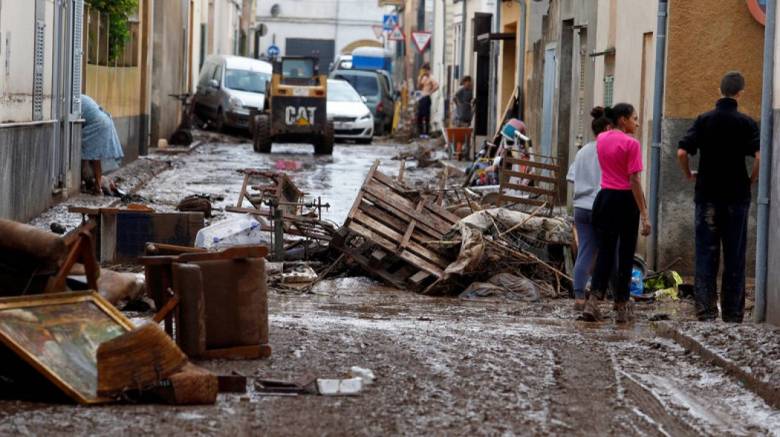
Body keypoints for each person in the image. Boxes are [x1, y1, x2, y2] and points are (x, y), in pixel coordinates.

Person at [677, 71, 760, 323]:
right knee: (734, 255)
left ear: (719, 90)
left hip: (707, 195)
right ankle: (733, 313)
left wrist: (689, 174)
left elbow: (682, 152)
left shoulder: (704, 120)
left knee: (706, 253)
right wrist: (751, 179)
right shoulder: (746, 123)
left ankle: (706, 310)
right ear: (740, 93)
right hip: (736, 197)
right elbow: (759, 156)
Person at [582, 103, 651, 323]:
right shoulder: (632, 144)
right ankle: (621, 305)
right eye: (634, 118)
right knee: (626, 253)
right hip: (625, 200)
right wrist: (644, 214)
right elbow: (634, 180)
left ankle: (594, 301)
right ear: (623, 120)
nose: (637, 123)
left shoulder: (602, 139)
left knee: (605, 251)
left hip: (604, 198)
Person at [566, 107, 612, 310]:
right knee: (608, 252)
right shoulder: (609, 150)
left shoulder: (583, 151)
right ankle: (603, 295)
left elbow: (571, 178)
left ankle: (578, 297)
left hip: (581, 207)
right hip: (602, 206)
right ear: (609, 128)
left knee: (585, 250)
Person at [81, 94, 124, 195]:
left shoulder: (74, 101)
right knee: (94, 156)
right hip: (104, 120)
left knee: (92, 156)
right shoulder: (82, 98)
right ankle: (96, 185)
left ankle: (95, 186)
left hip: (98, 124)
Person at [417, 63, 439, 138]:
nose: (425, 71)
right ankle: (421, 132)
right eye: (423, 70)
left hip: (426, 97)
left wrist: (431, 92)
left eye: (426, 70)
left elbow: (437, 85)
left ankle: (426, 133)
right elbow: (419, 87)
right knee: (420, 115)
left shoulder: (431, 77)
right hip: (421, 97)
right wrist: (421, 78)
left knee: (426, 115)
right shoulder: (420, 77)